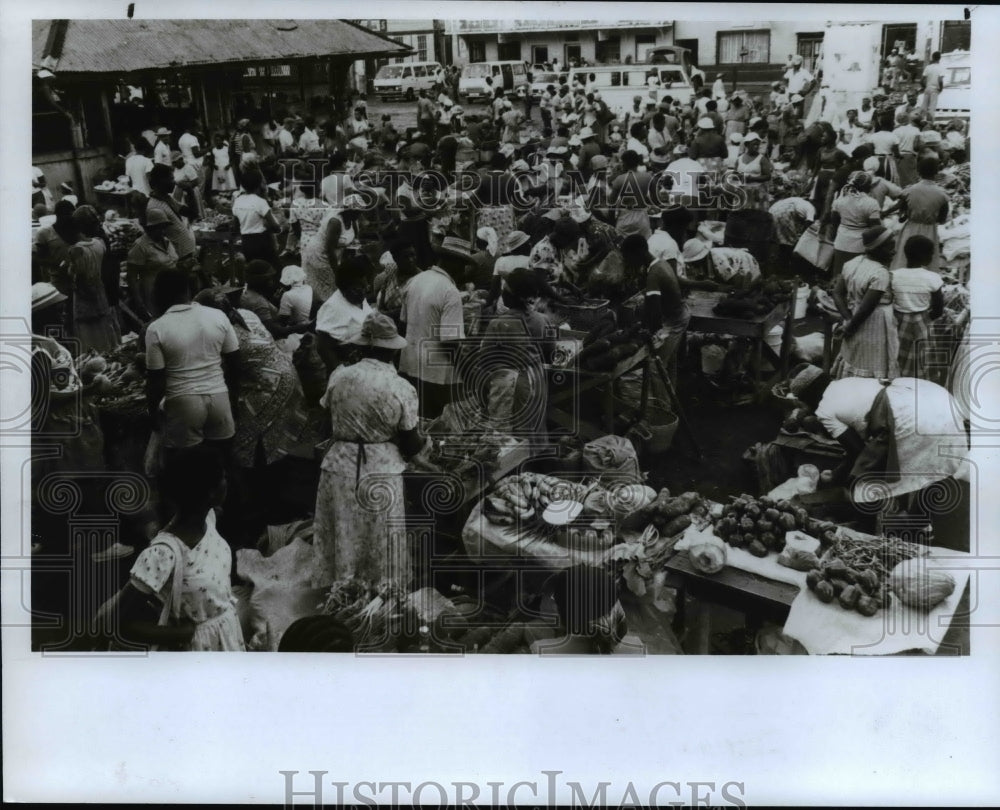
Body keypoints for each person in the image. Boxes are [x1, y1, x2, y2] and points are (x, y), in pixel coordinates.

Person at [787, 364, 969, 548]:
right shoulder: (845, 383)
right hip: (934, 398)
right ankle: (920, 525)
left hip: (909, 414)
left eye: (803, 402)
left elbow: (857, 451)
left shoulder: (824, 410)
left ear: (809, 396)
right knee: (932, 468)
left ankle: (866, 537)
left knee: (863, 483)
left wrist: (837, 477)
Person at [311, 312, 426, 590]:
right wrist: (422, 446)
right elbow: (411, 443)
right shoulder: (400, 387)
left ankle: (342, 584)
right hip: (380, 467)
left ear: (362, 347)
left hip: (339, 464)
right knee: (379, 534)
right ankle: (381, 588)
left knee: (343, 528)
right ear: (391, 351)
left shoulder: (340, 377)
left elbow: (325, 423)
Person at [119, 445, 246, 651]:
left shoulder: (210, 519)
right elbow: (122, 623)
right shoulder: (162, 554)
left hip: (227, 639)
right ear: (209, 493)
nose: (227, 482)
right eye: (223, 477)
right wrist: (178, 634)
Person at [193, 287, 319, 472]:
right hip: (284, 372)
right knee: (272, 429)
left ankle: (257, 482)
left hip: (268, 384)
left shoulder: (222, 332)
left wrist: (232, 405)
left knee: (247, 435)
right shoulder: (245, 314)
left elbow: (229, 372)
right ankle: (275, 470)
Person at [145, 268, 241, 456]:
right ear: (188, 290)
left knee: (186, 466)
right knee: (224, 460)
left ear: (159, 294)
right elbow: (235, 362)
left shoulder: (156, 328)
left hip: (182, 403)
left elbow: (156, 379)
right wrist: (233, 400)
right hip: (218, 396)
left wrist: (152, 412)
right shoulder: (217, 316)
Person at [479, 267, 555, 440]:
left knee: (507, 439)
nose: (502, 294)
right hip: (535, 381)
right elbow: (551, 354)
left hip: (508, 385)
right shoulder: (543, 321)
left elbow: (485, 360)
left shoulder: (498, 324)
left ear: (514, 295)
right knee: (531, 430)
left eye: (504, 290)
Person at [398, 247, 466, 419]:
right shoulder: (450, 292)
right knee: (436, 424)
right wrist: (467, 371)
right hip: (435, 372)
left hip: (410, 364)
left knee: (413, 419)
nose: (464, 270)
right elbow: (450, 341)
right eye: (462, 264)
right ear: (453, 263)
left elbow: (403, 322)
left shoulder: (414, 280)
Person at [621, 233, 689, 392]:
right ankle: (669, 403)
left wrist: (648, 333)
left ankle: (660, 410)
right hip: (679, 314)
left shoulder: (654, 274)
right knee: (669, 362)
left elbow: (655, 313)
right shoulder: (660, 263)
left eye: (628, 257)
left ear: (638, 253)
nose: (628, 262)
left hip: (674, 321)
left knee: (654, 366)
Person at [831, 225, 900, 380]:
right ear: (877, 248)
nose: (894, 252)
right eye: (890, 248)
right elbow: (866, 309)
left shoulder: (853, 263)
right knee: (873, 362)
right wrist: (850, 328)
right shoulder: (880, 273)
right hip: (873, 324)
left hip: (854, 317)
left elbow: (837, 293)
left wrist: (848, 319)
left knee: (855, 355)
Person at [65, 206, 120, 353]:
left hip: (86, 300)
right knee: (107, 333)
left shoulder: (76, 250)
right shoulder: (100, 242)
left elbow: (77, 279)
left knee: (90, 339)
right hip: (102, 294)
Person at [891, 234, 945, 380]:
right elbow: (938, 309)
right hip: (922, 321)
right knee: (922, 360)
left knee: (897, 356)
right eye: (931, 254)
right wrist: (925, 318)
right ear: (925, 256)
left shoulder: (893, 276)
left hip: (897, 321)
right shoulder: (932, 278)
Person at [315, 253, 373, 374]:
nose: (363, 292)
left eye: (364, 286)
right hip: (349, 368)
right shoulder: (333, 307)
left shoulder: (358, 297)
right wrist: (339, 373)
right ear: (344, 287)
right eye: (358, 288)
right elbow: (323, 347)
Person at [890, 157, 950, 272]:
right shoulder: (941, 194)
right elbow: (942, 219)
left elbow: (901, 209)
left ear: (918, 171)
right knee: (926, 259)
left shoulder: (910, 190)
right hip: (929, 230)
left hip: (911, 227)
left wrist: (905, 215)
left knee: (904, 256)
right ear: (936, 173)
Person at [302, 195, 364, 302]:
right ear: (349, 210)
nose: (360, 214)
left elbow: (353, 241)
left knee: (336, 284)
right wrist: (337, 271)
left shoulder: (353, 220)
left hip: (335, 253)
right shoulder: (335, 222)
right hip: (319, 254)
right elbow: (330, 250)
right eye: (357, 211)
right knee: (329, 284)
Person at [125, 207, 178, 320]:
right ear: (150, 228)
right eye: (160, 228)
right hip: (153, 292)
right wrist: (139, 303)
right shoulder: (140, 246)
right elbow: (132, 276)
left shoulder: (166, 242)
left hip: (172, 289)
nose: (163, 231)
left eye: (164, 227)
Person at [829, 171, 882, 277]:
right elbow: (875, 228)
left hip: (841, 242)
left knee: (839, 275)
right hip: (861, 244)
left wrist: (834, 237)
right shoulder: (871, 203)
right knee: (857, 275)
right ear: (868, 187)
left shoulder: (839, 202)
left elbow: (834, 223)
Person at [146, 164, 198, 268]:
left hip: (185, 256)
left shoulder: (167, 199)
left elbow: (192, 213)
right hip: (178, 260)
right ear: (160, 181)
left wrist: (189, 190)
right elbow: (158, 240)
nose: (174, 183)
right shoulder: (155, 207)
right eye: (170, 179)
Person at [232, 167, 281, 268]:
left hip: (246, 242)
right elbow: (275, 227)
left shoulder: (237, 201)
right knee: (272, 269)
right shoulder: (260, 202)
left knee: (253, 271)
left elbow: (236, 226)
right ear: (259, 184)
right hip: (262, 241)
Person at [34, 199, 77, 299]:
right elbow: (37, 258)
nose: (71, 219)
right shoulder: (44, 233)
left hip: (79, 279)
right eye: (68, 216)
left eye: (72, 216)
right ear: (58, 215)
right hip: (59, 281)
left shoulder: (76, 230)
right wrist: (57, 264)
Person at [609, 150, 654, 240]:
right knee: (643, 245)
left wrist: (612, 222)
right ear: (637, 162)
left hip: (625, 217)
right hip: (642, 217)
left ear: (624, 163)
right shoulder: (648, 177)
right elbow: (655, 200)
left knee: (623, 247)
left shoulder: (619, 179)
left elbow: (611, 204)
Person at [769, 195, 816, 272]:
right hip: (785, 213)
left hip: (773, 209)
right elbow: (808, 225)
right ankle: (787, 267)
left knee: (781, 239)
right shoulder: (812, 209)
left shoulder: (801, 200)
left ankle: (780, 263)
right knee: (790, 241)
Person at [733, 132, 772, 210]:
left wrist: (752, 178)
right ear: (747, 145)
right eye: (754, 144)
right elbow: (734, 175)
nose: (756, 147)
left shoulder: (762, 159)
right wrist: (739, 177)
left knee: (755, 214)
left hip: (757, 192)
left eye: (758, 144)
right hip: (743, 191)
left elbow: (768, 176)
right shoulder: (740, 159)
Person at [277, 264, 314, 329]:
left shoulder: (287, 295)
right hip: (309, 323)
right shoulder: (309, 288)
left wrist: (278, 300)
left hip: (296, 328)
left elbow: (283, 320)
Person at [892, 112, 922, 188]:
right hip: (910, 155)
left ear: (898, 120)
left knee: (899, 179)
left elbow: (893, 146)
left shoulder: (895, 131)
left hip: (898, 156)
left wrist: (897, 155)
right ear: (908, 119)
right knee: (912, 178)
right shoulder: (915, 130)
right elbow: (916, 146)